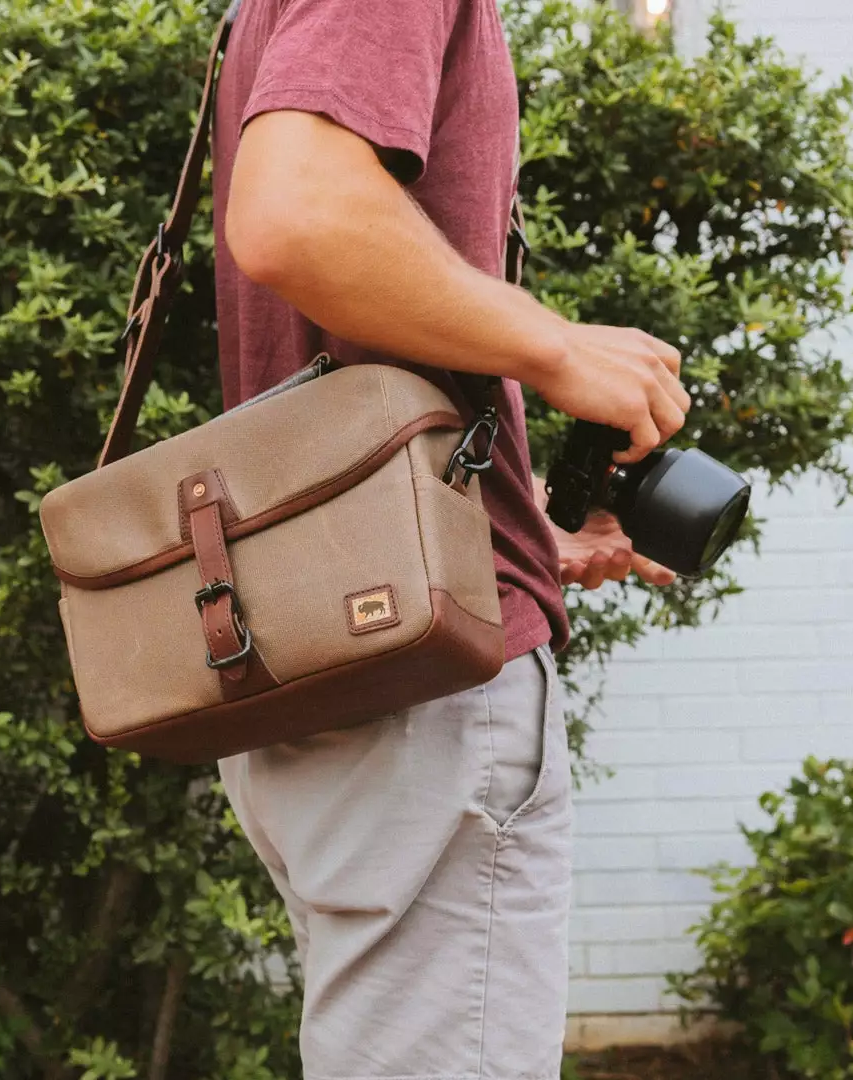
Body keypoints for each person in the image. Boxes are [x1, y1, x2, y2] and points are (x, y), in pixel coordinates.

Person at [211, 1, 689, 1077]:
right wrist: (556, 348)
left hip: (342, 633)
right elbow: (296, 216)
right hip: (420, 691)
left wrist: (517, 534)